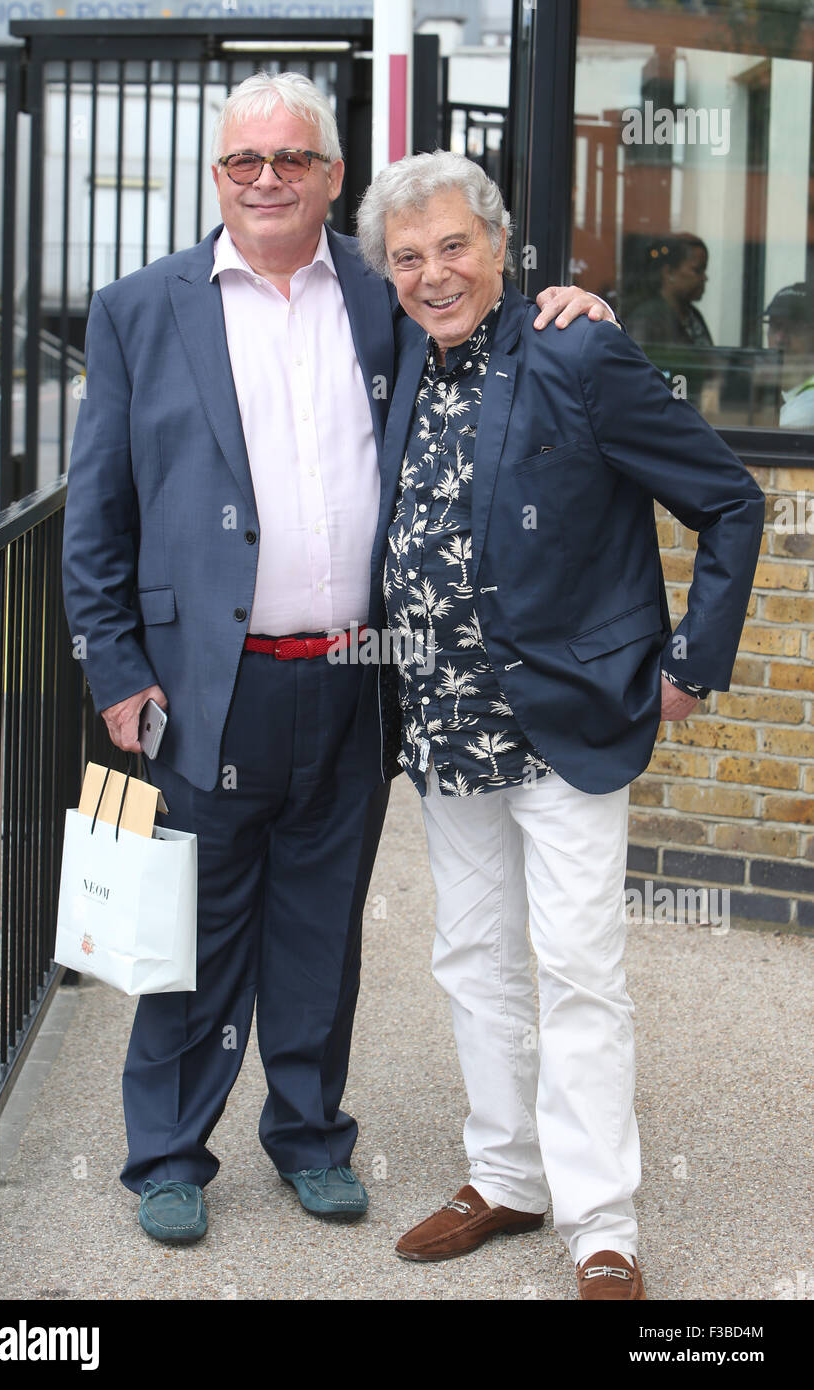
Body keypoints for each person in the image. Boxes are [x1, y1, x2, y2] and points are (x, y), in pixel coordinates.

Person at [61, 73, 611, 1245]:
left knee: (320, 924)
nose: (265, 179)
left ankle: (309, 1135)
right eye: (242, 162)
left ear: (329, 176)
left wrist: (571, 300)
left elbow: (482, 312)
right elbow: (96, 514)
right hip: (205, 683)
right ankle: (167, 1152)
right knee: (189, 930)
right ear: (218, 176)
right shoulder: (138, 309)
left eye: (290, 160)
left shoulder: (382, 290)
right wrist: (114, 668)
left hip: (361, 672)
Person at [356, 151, 764, 1300]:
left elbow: (728, 498)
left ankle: (600, 1221)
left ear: (498, 247)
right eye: (407, 257)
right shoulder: (395, 355)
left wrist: (691, 660)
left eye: (453, 247)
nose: (433, 275)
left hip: (563, 724)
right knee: (471, 956)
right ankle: (504, 1174)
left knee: (578, 967)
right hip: (442, 730)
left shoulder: (575, 346)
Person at [626, 232, 712, 346]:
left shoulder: (693, 315)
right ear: (669, 272)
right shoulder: (647, 319)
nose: (704, 278)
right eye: (697, 270)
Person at [763, 282, 814, 429]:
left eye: (793, 327)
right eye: (774, 326)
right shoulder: (771, 389)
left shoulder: (807, 408)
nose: (780, 339)